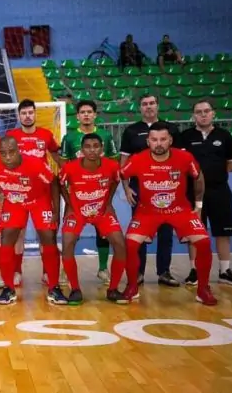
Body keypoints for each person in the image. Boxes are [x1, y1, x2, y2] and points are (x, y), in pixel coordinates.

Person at [120, 122, 217, 305]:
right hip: (147, 211)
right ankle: (132, 287)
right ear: (148, 141)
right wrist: (126, 190)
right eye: (154, 140)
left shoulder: (185, 157)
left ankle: (203, 289)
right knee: (131, 243)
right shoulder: (137, 159)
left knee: (203, 242)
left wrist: (199, 205)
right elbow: (121, 175)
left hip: (179, 210)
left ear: (170, 140)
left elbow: (198, 177)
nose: (159, 143)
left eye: (163, 139)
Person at [59, 133, 129, 305]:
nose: (92, 150)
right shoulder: (70, 167)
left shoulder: (112, 166)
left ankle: (113, 289)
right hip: (77, 211)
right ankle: (75, 289)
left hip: (102, 210)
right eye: (88, 147)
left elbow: (114, 182)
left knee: (120, 243)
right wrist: (68, 205)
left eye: (96, 146)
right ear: (82, 150)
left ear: (102, 148)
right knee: (67, 243)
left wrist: (109, 202)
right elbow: (59, 184)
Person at [0, 136, 61, 305]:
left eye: (11, 152)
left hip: (39, 201)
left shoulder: (35, 163)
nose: (7, 157)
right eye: (3, 153)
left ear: (18, 150)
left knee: (48, 237)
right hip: (15, 202)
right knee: (6, 238)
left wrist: (56, 211)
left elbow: (54, 182)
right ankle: (8, 288)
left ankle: (54, 287)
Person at [120, 94, 180, 287]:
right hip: (140, 188)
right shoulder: (131, 131)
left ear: (158, 106)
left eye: (152, 103)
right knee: (140, 232)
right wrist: (127, 187)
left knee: (165, 231)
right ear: (140, 108)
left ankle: (164, 272)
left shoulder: (171, 129)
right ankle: (138, 272)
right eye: (144, 104)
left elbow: (179, 159)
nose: (148, 107)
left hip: (166, 187)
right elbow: (124, 162)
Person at [180, 100, 232, 286]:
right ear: (193, 116)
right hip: (192, 192)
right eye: (199, 112)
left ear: (213, 113)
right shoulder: (185, 137)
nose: (203, 114)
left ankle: (224, 270)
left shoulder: (224, 136)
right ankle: (195, 270)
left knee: (223, 231)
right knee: (194, 232)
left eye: (206, 111)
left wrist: (214, 176)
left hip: (219, 191)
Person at [60, 100, 119, 284]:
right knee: (71, 234)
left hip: (100, 194)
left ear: (95, 115)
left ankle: (102, 269)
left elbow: (114, 162)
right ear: (77, 116)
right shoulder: (69, 138)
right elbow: (63, 164)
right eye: (82, 112)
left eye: (89, 112)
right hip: (77, 194)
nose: (86, 115)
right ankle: (66, 270)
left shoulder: (105, 136)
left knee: (103, 232)